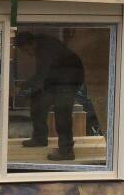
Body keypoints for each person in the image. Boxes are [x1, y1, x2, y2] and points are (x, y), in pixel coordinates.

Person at [15, 32, 85, 161]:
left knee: (62, 112)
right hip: (56, 79)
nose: (27, 53)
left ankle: (66, 151)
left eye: (26, 50)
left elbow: (41, 75)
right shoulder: (40, 45)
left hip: (70, 78)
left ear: (31, 43)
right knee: (38, 102)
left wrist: (23, 89)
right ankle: (39, 138)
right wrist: (28, 89)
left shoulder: (46, 49)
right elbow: (42, 75)